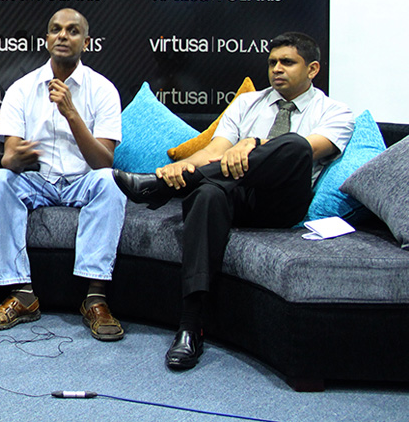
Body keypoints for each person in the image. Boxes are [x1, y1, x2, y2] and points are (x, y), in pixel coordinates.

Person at [114, 32, 354, 370]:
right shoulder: (246, 103)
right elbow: (214, 151)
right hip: (235, 194)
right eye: (272, 62)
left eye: (287, 62)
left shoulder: (336, 112)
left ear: (312, 69)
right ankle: (190, 326)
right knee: (207, 194)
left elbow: (310, 151)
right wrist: (179, 169)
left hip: (282, 202)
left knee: (295, 145)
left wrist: (251, 143)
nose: (277, 69)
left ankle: (159, 189)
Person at [0, 8, 127, 341]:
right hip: (39, 181)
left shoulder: (103, 90)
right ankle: (22, 294)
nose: (63, 35)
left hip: (84, 180)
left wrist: (71, 113)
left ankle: (95, 298)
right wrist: (16, 157)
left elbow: (103, 162)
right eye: (56, 29)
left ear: (85, 42)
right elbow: (8, 158)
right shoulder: (22, 88)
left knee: (112, 181)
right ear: (46, 39)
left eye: (73, 31)